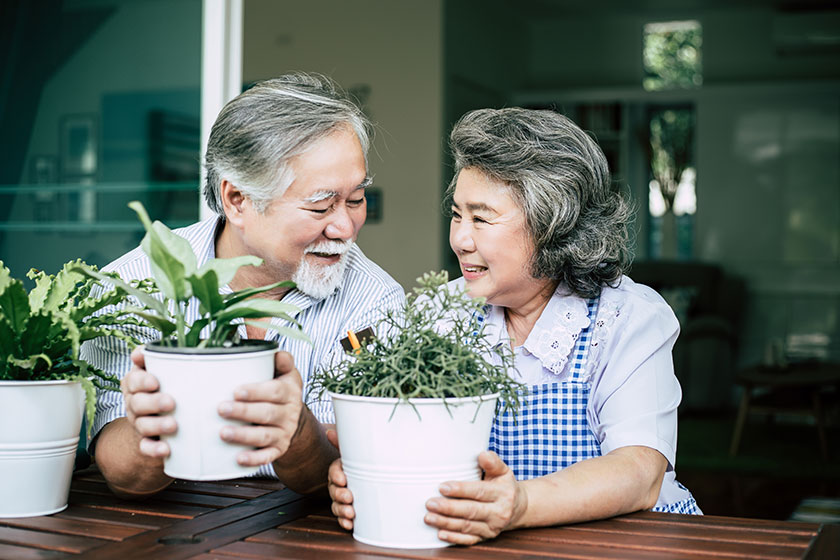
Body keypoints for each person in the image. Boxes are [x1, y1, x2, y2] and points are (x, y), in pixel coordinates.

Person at [327, 107, 701, 545]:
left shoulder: (626, 318)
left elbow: (640, 471)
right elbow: (404, 434)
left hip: (624, 546)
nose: (460, 240)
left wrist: (519, 504)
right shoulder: (441, 312)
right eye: (456, 215)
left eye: (481, 219)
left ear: (552, 227)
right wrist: (359, 468)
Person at [81, 73, 404, 498]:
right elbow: (123, 475)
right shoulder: (134, 286)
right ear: (237, 200)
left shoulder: (374, 302)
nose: (345, 226)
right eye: (321, 205)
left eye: (357, 199)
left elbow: (350, 474)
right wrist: (154, 428)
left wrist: (297, 429)